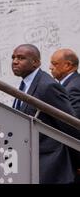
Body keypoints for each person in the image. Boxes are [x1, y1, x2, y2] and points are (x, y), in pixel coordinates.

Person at [11, 44, 76, 183]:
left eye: (21, 58)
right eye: (13, 57)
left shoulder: (47, 86)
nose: (15, 61)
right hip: (31, 162)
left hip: (51, 165)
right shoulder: (25, 84)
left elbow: (70, 126)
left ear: (35, 62)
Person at [49, 48, 80, 183]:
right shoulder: (69, 84)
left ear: (67, 65)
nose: (50, 67)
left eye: (54, 64)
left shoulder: (74, 86)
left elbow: (73, 121)